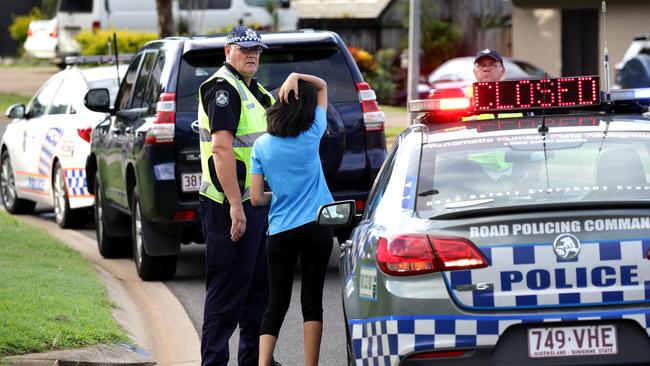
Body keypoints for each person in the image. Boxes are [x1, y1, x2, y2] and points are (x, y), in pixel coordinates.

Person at [197, 25, 279, 366]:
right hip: (230, 206)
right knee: (227, 293)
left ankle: (255, 361)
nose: (252, 55)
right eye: (245, 49)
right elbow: (221, 149)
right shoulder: (223, 89)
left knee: (259, 291)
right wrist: (235, 206)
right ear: (228, 50)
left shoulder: (254, 90)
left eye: (257, 50)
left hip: (255, 205)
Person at [249, 72, 334, 366]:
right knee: (312, 303)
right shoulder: (312, 133)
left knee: (275, 303)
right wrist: (296, 76)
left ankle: (262, 363)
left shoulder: (261, 146)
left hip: (281, 231)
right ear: (307, 108)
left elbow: (257, 198)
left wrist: (283, 195)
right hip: (317, 226)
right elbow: (322, 85)